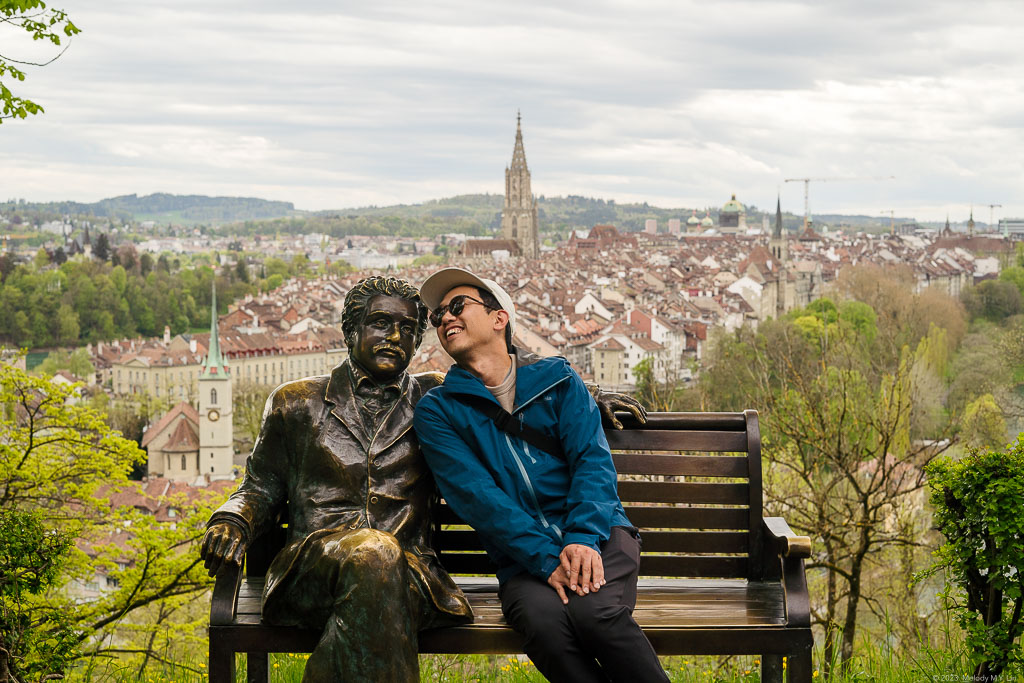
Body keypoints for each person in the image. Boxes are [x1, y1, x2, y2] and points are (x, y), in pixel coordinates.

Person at [200, 275, 644, 682]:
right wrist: (233, 519)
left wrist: (588, 392)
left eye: (409, 328)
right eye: (379, 323)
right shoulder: (295, 402)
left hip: (411, 576)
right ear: (350, 330)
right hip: (313, 573)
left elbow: (512, 379)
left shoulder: (435, 397)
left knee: (378, 558)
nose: (395, 337)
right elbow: (258, 486)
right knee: (373, 553)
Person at [413, 267, 668, 683]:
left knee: (596, 615)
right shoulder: (438, 411)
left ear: (500, 318)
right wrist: (547, 559)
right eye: (436, 315)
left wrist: (582, 538)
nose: (444, 318)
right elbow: (477, 496)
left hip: (601, 535)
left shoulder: (559, 380)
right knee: (544, 626)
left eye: (457, 306)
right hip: (522, 562)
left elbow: (591, 460)